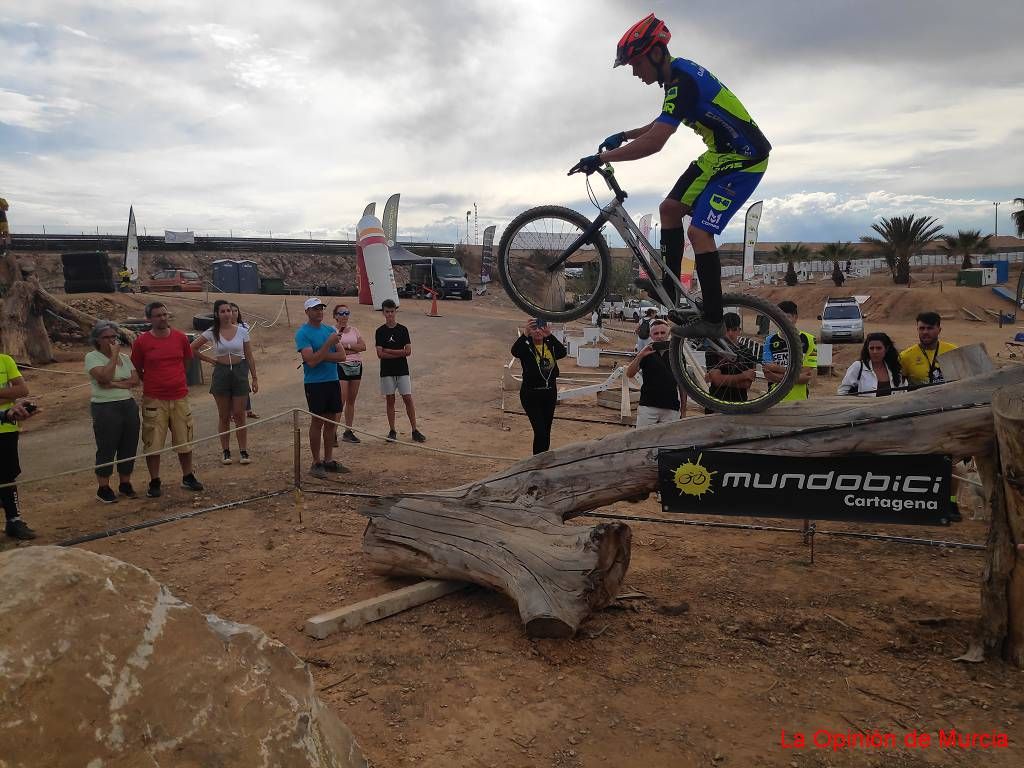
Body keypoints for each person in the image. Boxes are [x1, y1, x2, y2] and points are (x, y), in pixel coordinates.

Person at [578, 14, 771, 339]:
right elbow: (663, 121)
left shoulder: (682, 82)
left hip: (745, 160)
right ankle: (668, 286)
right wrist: (624, 135)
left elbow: (656, 142)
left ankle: (712, 318)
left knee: (699, 233)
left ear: (654, 54)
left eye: (636, 64)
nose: (636, 73)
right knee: (669, 210)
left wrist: (601, 158)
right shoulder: (676, 76)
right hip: (719, 156)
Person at [130, 301, 204, 498]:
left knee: (184, 439)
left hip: (179, 396)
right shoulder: (141, 342)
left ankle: (187, 476)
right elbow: (137, 366)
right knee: (152, 441)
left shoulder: (180, 338)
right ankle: (154, 480)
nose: (162, 318)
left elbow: (187, 361)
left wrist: (177, 379)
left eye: (164, 314)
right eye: (157, 315)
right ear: (149, 319)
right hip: (154, 398)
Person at [191, 299, 258, 465]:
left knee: (239, 414)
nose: (227, 314)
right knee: (224, 415)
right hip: (221, 372)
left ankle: (243, 450)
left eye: (229, 310)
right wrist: (210, 360)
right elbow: (192, 347)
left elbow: (249, 355)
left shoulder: (242, 331)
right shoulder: (212, 331)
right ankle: (226, 451)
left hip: (239, 372)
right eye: (223, 311)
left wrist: (255, 377)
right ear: (216, 314)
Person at [85, 321, 141, 502]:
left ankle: (125, 482)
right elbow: (103, 377)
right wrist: (113, 355)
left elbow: (134, 380)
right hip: (105, 406)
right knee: (107, 446)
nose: (111, 340)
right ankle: (103, 486)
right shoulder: (92, 357)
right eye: (106, 337)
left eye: (113, 337)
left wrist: (115, 384)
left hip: (127, 403)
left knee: (129, 443)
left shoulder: (124, 358)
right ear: (97, 340)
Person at [296, 297, 348, 478]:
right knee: (317, 421)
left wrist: (319, 356)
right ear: (307, 312)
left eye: (320, 308)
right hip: (315, 383)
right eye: (314, 309)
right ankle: (316, 461)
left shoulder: (328, 330)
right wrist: (327, 345)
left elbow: (342, 356)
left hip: (332, 379)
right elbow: (310, 363)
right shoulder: (303, 333)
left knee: (331, 420)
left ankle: (328, 459)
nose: (319, 311)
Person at [511, 319, 568, 453]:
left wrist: (550, 336)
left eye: (540, 328)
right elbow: (515, 352)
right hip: (531, 394)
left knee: (546, 431)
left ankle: (542, 460)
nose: (537, 331)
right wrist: (524, 334)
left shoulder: (550, 345)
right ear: (530, 332)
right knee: (540, 431)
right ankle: (537, 462)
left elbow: (562, 352)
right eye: (534, 328)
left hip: (549, 394)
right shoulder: (526, 346)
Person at [376, 299, 426, 443]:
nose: (390, 314)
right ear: (383, 313)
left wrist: (389, 350)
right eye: (387, 312)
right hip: (387, 370)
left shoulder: (402, 330)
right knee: (390, 400)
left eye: (392, 311)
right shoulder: (380, 331)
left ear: (395, 312)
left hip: (402, 369)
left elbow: (408, 351)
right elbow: (380, 354)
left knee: (407, 399)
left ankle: (414, 429)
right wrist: (399, 352)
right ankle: (392, 430)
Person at [1, 354, 38, 539]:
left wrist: (8, 409)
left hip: (7, 425)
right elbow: (15, 391)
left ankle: (14, 520)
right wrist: (7, 394)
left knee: (8, 474)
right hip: (7, 415)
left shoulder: (5, 360)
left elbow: (22, 389)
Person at [626, 319, 686, 426]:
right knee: (643, 438)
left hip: (671, 407)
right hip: (648, 406)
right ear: (651, 335)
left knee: (668, 441)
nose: (659, 336)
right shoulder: (646, 353)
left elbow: (683, 384)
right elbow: (629, 374)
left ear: (669, 334)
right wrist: (640, 356)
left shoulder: (677, 355)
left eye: (663, 333)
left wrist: (683, 410)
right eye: (656, 333)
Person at [763, 301, 816, 401]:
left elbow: (806, 376)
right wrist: (796, 373)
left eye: (787, 317)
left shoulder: (809, 340)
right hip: (774, 400)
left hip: (800, 400)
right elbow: (769, 375)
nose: (782, 321)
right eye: (779, 317)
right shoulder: (769, 341)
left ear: (795, 317)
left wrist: (777, 369)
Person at [704, 312, 757, 412]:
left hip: (739, 406)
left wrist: (721, 380)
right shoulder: (713, 349)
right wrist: (743, 376)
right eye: (727, 330)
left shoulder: (747, 351)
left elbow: (746, 384)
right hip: (715, 405)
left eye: (734, 329)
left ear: (739, 330)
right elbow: (716, 380)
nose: (730, 333)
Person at [333, 303, 367, 444]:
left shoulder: (354, 330)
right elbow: (334, 350)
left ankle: (348, 431)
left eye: (347, 313)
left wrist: (346, 347)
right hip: (341, 366)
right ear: (335, 316)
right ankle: (333, 432)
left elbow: (363, 347)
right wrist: (352, 349)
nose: (344, 316)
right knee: (340, 401)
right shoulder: (332, 331)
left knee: (351, 401)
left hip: (356, 366)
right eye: (341, 313)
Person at [899, 312, 958, 387]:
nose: (925, 332)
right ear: (917, 329)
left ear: (939, 330)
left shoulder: (953, 351)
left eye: (930, 328)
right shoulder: (905, 357)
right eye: (922, 328)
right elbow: (898, 386)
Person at [838, 333, 903, 397]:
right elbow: (842, 392)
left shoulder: (894, 367)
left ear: (886, 349)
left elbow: (902, 393)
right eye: (871, 348)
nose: (875, 352)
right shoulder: (858, 366)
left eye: (879, 348)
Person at [231, 302, 259, 419]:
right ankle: (232, 413)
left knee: (243, 384)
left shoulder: (244, 327)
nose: (233, 313)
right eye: (231, 311)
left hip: (243, 359)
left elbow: (247, 346)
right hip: (229, 360)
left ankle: (248, 410)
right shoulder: (222, 328)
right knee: (232, 386)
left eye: (235, 311)